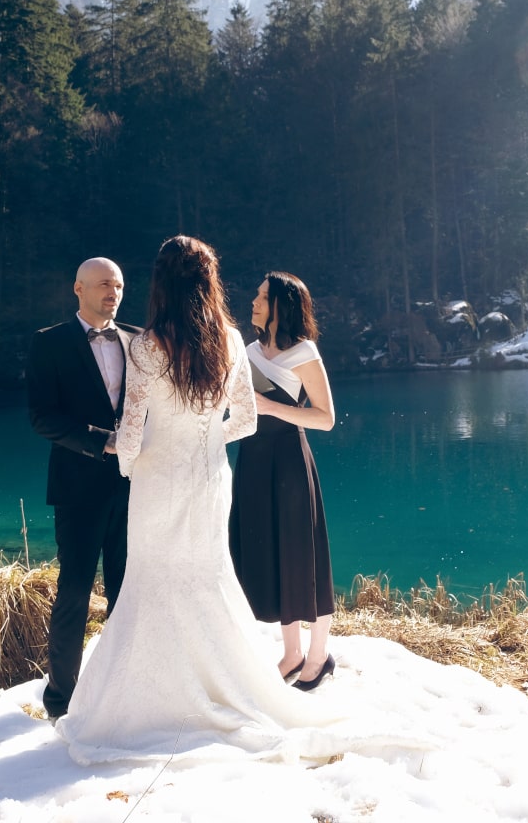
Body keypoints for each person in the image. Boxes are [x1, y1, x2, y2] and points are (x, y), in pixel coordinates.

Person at [57, 237, 346, 763]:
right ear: (209, 282)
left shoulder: (145, 346)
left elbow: (132, 429)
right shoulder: (234, 341)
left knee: (151, 582)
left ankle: (152, 697)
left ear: (162, 284)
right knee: (207, 579)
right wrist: (207, 442)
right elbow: (247, 420)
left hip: (155, 482)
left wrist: (129, 462)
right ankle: (224, 686)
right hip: (211, 478)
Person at [27, 257, 140, 720]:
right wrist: (103, 442)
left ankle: (122, 690)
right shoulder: (48, 343)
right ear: (78, 289)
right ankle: (61, 700)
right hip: (77, 488)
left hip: (135, 486)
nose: (112, 292)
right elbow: (43, 418)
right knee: (73, 591)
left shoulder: (139, 341)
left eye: (117, 284)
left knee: (127, 591)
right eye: (102, 285)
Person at [229, 272, 338, 691]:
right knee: (271, 553)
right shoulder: (249, 349)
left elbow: (324, 418)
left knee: (303, 555)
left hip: (290, 460)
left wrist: (269, 407)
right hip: (253, 460)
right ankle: (291, 652)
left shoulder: (304, 352)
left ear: (281, 304)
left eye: (261, 296)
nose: (253, 301)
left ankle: (318, 655)